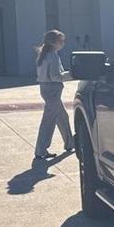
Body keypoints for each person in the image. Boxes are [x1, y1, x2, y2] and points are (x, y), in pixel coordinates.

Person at [34, 29, 74, 161]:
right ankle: (41, 150)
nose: (63, 43)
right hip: (52, 90)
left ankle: (70, 143)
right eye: (60, 41)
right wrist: (73, 74)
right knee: (48, 121)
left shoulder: (44, 54)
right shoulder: (52, 55)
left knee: (62, 117)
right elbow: (56, 76)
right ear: (53, 42)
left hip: (46, 89)